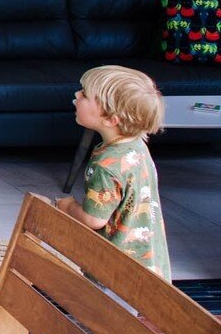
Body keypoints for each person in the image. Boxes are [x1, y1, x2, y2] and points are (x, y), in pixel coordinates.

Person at [57, 65, 171, 280]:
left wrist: (67, 206)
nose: (76, 95)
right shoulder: (136, 147)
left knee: (105, 312)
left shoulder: (106, 165)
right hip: (147, 262)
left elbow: (93, 220)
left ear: (111, 119)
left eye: (85, 94)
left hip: (116, 270)